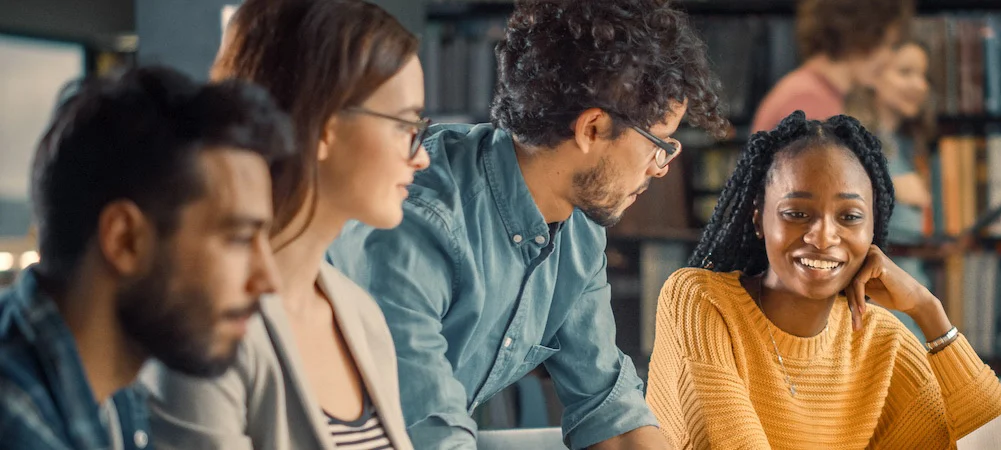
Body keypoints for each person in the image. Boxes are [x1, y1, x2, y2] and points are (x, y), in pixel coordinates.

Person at [324, 0, 727, 448]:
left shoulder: (578, 229)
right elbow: (429, 434)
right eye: (659, 144)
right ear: (592, 129)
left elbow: (609, 410)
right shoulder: (419, 221)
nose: (661, 168)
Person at [140, 1, 429, 449]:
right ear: (325, 128)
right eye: (406, 125)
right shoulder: (203, 324)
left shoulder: (361, 315)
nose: (421, 155)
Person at [645, 112, 1001, 449]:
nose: (822, 237)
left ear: (874, 228)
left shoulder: (882, 341)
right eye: (797, 213)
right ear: (758, 219)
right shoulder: (700, 302)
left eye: (850, 217)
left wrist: (928, 311)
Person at [0, 66, 291, 449]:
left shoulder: (113, 394)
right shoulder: (17, 422)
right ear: (125, 240)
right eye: (238, 239)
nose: (269, 280)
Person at [847, 39, 938, 340]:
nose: (919, 85)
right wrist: (894, 187)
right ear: (873, 76)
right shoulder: (853, 140)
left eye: (923, 75)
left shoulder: (908, 144)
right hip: (876, 289)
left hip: (911, 275)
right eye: (905, 72)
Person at [750, 0, 914, 132]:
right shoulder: (807, 100)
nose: (889, 58)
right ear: (862, 34)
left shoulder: (815, 93)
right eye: (887, 44)